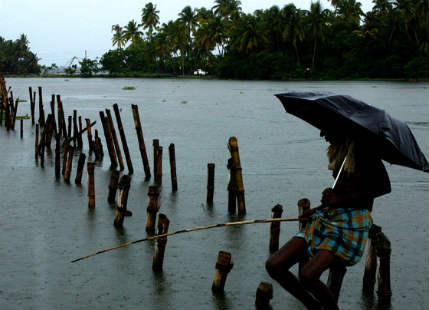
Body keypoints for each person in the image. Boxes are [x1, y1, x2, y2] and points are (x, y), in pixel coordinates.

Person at [265, 129, 391, 310]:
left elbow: (383, 187)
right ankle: (313, 306)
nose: (322, 134)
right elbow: (341, 193)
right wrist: (320, 207)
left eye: (327, 129)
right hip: (328, 217)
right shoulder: (340, 150)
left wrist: (340, 199)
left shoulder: (364, 150)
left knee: (308, 275)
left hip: (351, 224)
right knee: (274, 265)